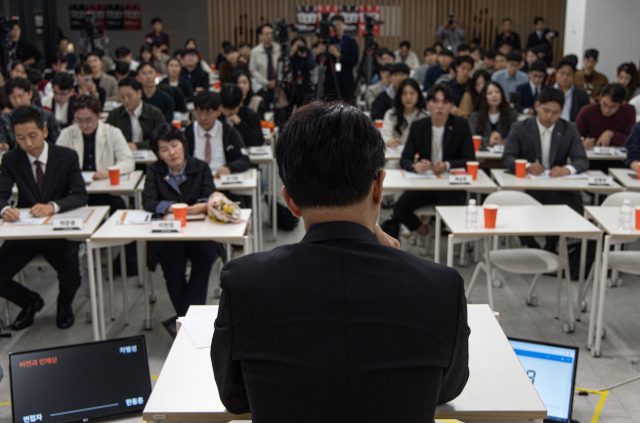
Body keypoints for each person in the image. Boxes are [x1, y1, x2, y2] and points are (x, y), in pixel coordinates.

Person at [211, 100, 469, 421]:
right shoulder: (441, 287)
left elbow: (234, 398)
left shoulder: (244, 282)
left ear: (290, 200)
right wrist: (404, 269)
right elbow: (446, 388)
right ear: (377, 187)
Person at [0, 106, 88, 330]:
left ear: (45, 132)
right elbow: (1, 195)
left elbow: (80, 195)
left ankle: (63, 305)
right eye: (21, 138)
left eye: (33, 136)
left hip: (57, 232)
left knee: (71, 277)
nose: (28, 143)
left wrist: (53, 206)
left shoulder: (66, 156)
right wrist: (3, 209)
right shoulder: (11, 159)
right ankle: (29, 301)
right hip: (26, 232)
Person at [143, 123, 218, 336]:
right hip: (170, 232)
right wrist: (169, 207)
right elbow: (147, 201)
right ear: (158, 154)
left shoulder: (200, 166)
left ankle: (184, 323)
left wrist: (203, 205)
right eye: (164, 149)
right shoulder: (154, 170)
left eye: (174, 145)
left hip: (198, 229)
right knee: (172, 263)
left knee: (207, 255)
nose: (172, 152)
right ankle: (192, 324)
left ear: (183, 145)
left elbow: (210, 194)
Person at [502, 88, 588, 249]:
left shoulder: (569, 129)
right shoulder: (520, 128)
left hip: (557, 187)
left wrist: (567, 169)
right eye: (546, 110)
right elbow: (507, 158)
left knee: (567, 202)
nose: (549, 116)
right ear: (537, 106)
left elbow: (581, 160)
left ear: (561, 111)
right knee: (518, 202)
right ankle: (530, 245)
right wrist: (527, 166)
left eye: (555, 113)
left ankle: (553, 244)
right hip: (529, 187)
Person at [393, 84, 474, 253]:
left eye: (445, 102)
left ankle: (453, 242)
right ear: (427, 104)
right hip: (426, 184)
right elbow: (405, 158)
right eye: (435, 101)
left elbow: (469, 159)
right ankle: (424, 230)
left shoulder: (461, 125)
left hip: (450, 185)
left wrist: (448, 164)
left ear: (451, 105)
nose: (439, 106)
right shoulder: (418, 126)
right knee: (400, 207)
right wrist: (414, 166)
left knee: (450, 211)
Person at [56, 95, 134, 214]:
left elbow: (128, 161)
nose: (84, 125)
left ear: (99, 116)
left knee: (117, 205)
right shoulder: (67, 134)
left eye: (89, 120)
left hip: (105, 190)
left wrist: (109, 171)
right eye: (79, 121)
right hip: (75, 191)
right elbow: (57, 163)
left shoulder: (112, 132)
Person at [184, 91, 250, 178]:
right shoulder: (188, 133)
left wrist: (229, 168)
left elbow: (244, 159)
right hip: (196, 181)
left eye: (208, 113)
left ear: (219, 111)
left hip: (222, 179)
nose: (202, 118)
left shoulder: (229, 132)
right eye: (198, 113)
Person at [106, 77, 165, 150]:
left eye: (129, 96)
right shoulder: (115, 114)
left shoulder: (154, 113)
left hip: (149, 155)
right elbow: (106, 137)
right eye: (122, 97)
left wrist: (138, 146)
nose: (126, 100)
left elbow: (161, 138)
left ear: (139, 93)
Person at [0, 78, 60, 150]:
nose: (18, 101)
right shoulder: (5, 119)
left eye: (21, 96)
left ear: (30, 94)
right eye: (13, 98)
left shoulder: (46, 116)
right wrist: (4, 145)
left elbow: (56, 142)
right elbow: (3, 139)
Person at [577, 83, 635, 149]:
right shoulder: (587, 111)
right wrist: (583, 142)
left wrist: (611, 134)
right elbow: (575, 137)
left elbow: (632, 139)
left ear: (622, 104)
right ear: (600, 97)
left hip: (620, 156)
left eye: (613, 107)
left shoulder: (629, 110)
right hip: (592, 155)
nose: (607, 110)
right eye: (604, 104)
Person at [317, 15, 359, 102]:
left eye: (339, 24)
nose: (337, 27)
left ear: (344, 24)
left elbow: (354, 61)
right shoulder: (328, 41)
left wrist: (340, 55)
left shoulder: (351, 41)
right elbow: (321, 61)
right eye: (334, 25)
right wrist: (318, 53)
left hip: (346, 81)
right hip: (330, 81)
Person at [381, 78, 429, 149]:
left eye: (412, 93)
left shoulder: (425, 115)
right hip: (396, 152)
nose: (408, 97)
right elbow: (385, 133)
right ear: (399, 96)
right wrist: (390, 141)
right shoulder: (391, 114)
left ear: (418, 95)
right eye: (404, 94)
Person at [468, 82, 517, 147]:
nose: (494, 95)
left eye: (497, 92)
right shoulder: (475, 116)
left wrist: (502, 141)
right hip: (482, 154)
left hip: (504, 153)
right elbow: (472, 136)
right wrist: (488, 141)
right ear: (484, 96)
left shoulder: (511, 114)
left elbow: (515, 136)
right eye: (490, 93)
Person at [549, 58, 590, 122]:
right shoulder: (546, 92)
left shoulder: (582, 95)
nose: (565, 77)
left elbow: (586, 117)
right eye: (562, 73)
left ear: (574, 75)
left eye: (569, 74)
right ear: (556, 74)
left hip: (572, 130)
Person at [289, 36, 316, 109]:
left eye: (301, 45)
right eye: (297, 45)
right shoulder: (290, 54)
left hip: (305, 86)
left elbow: (312, 65)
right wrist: (291, 54)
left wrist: (305, 57)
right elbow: (286, 67)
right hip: (292, 86)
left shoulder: (307, 53)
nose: (299, 47)